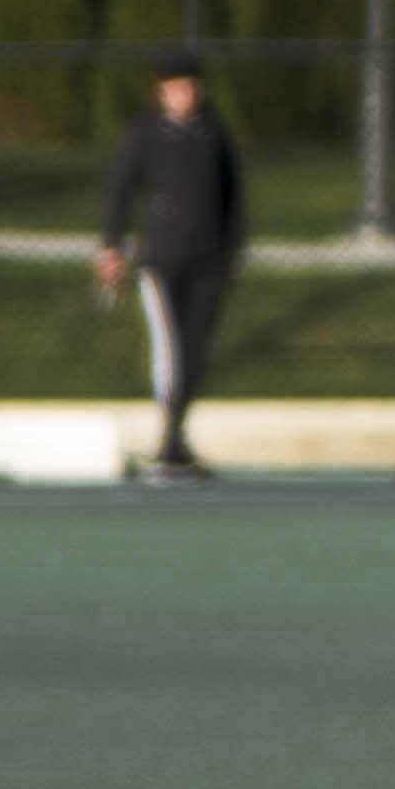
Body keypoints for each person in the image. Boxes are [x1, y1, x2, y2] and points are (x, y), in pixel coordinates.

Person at [91, 55, 243, 485]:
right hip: (161, 260)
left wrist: (231, 251)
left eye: (191, 86)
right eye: (177, 88)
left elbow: (234, 197)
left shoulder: (213, 133)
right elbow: (120, 189)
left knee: (196, 353)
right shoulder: (145, 135)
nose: (186, 95)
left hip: (210, 261)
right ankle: (168, 441)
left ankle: (177, 438)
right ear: (162, 93)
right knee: (170, 353)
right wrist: (111, 247)